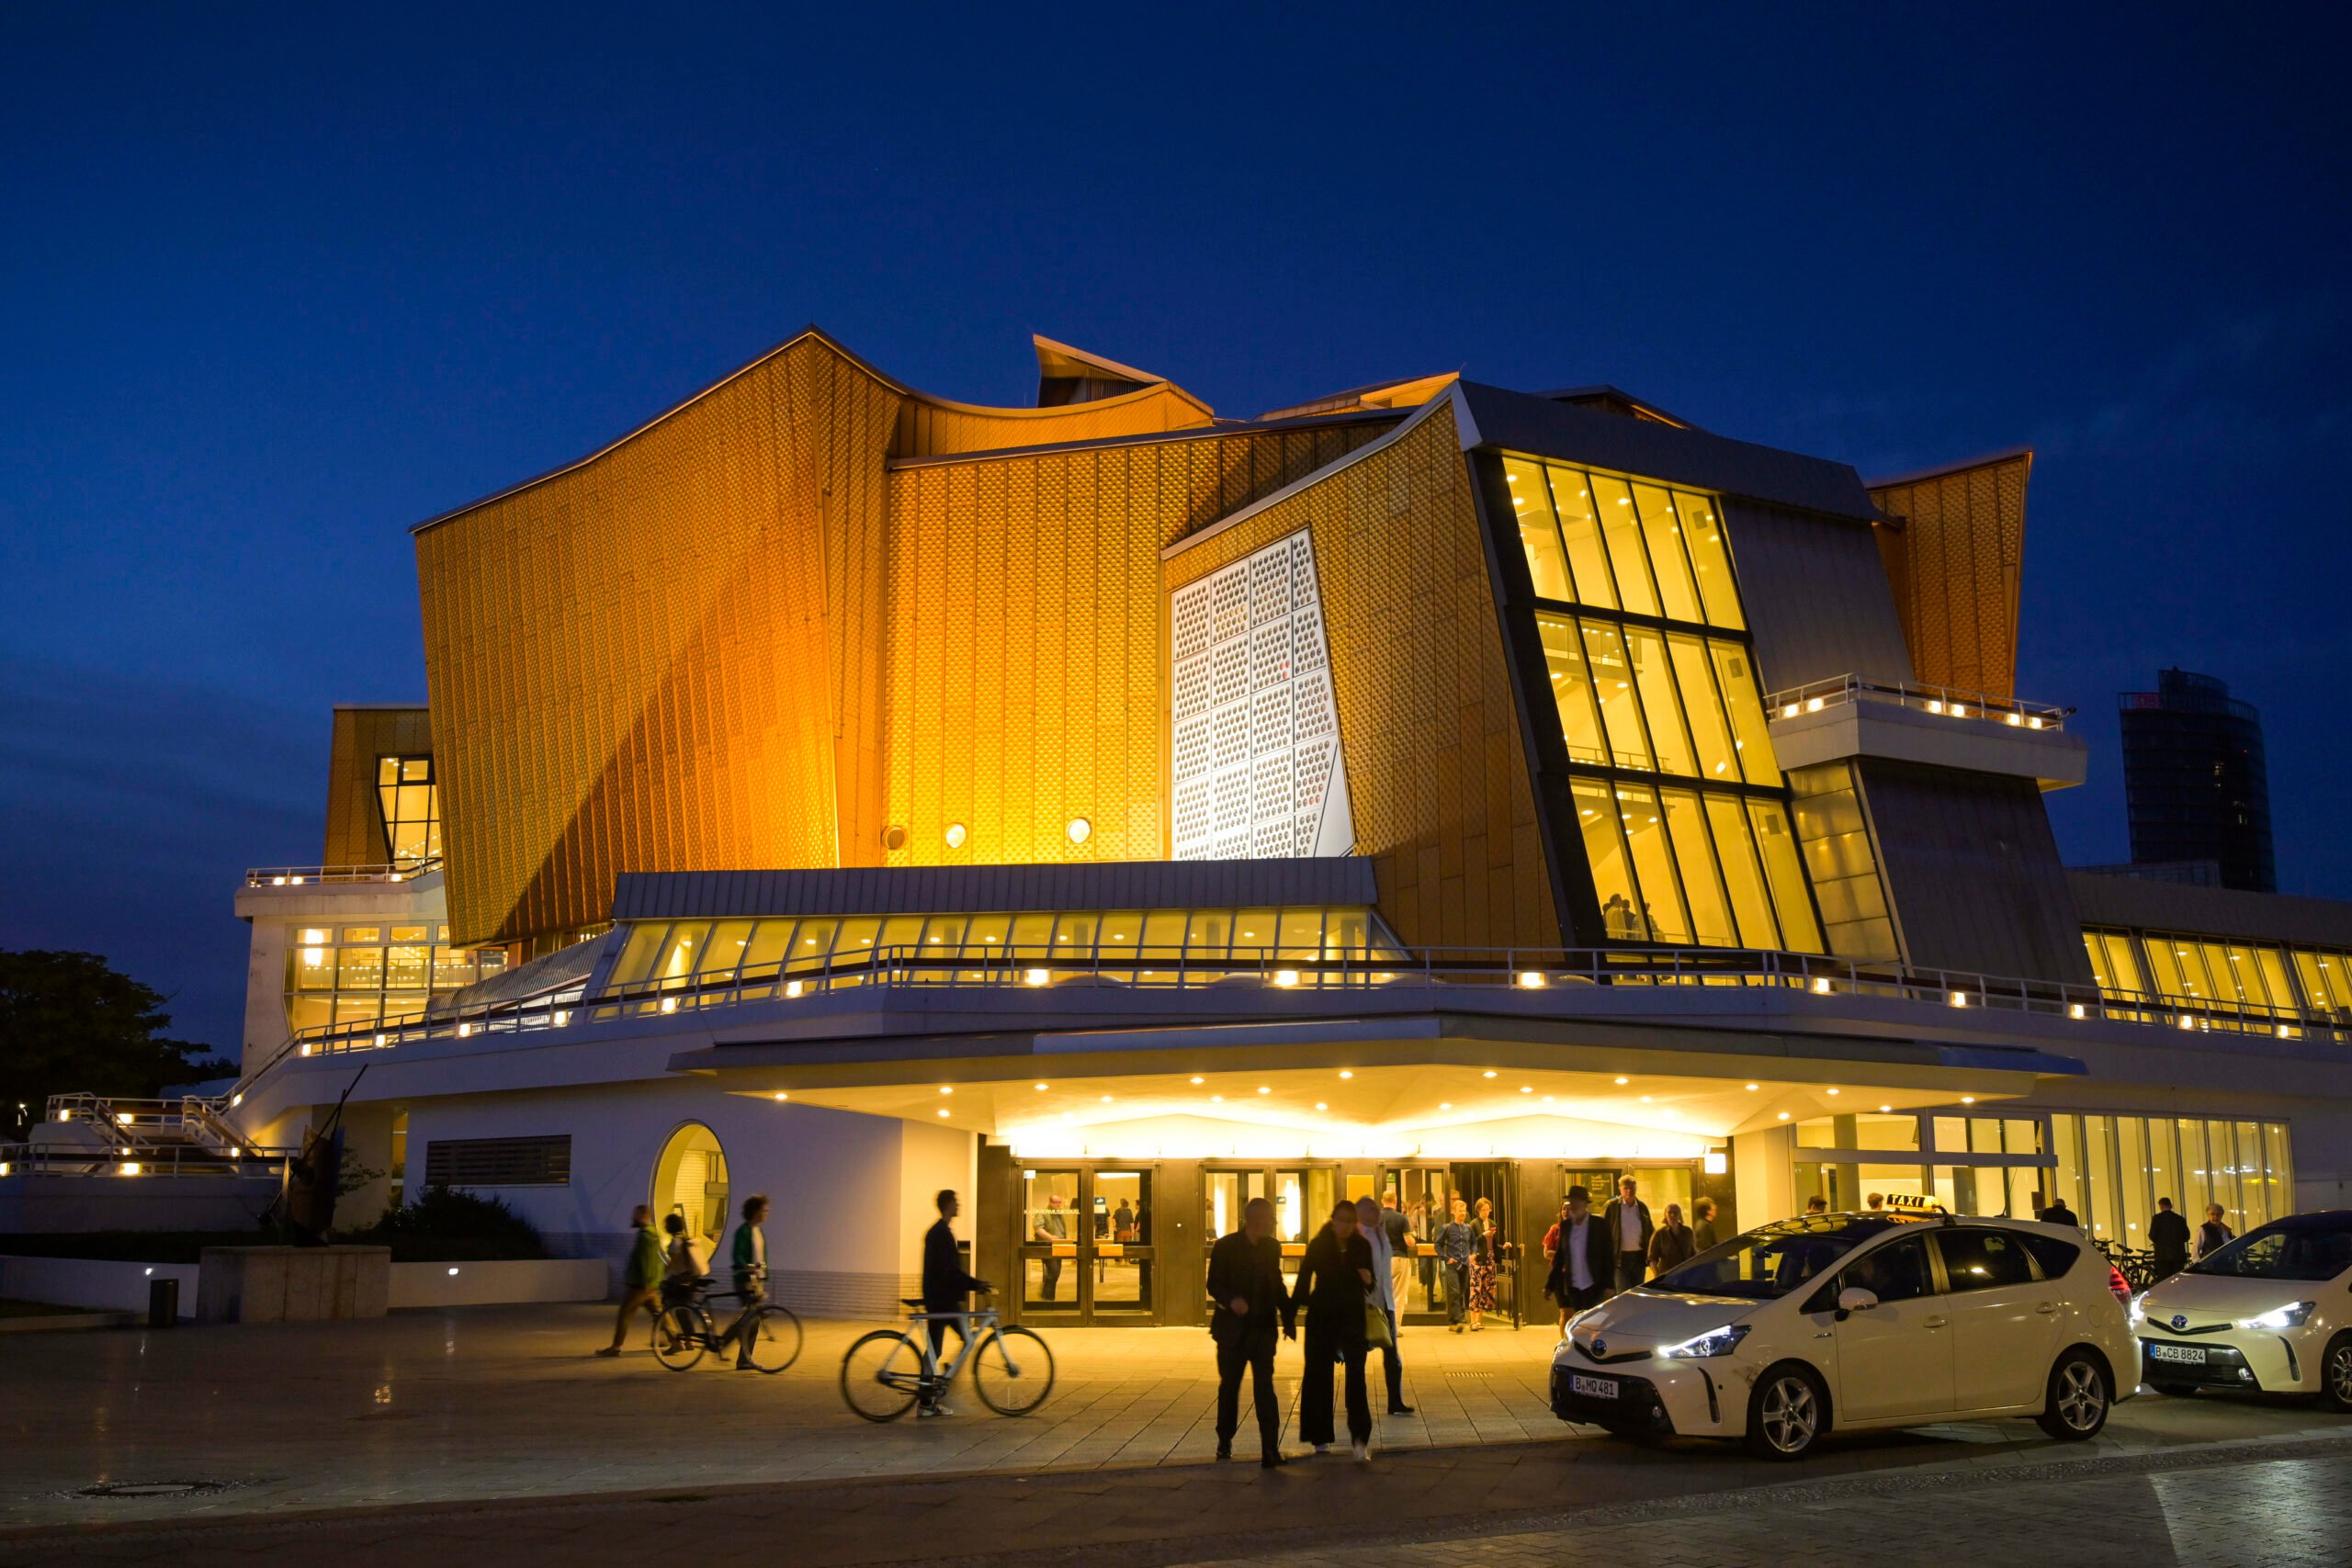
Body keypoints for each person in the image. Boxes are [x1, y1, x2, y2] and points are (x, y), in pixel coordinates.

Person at [1208, 1196, 1289, 1468]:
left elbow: (1276, 1282)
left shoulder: (1271, 1247)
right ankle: (1224, 1440)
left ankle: (1270, 1448)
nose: (1272, 1225)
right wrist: (1233, 1300)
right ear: (1255, 1220)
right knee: (1230, 1387)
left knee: (1265, 1388)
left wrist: (1287, 1316)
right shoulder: (1226, 1246)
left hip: (1263, 1329)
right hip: (1232, 1330)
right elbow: (1214, 1284)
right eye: (1269, 1220)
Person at [1291, 1198, 1375, 1461]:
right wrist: (1291, 1315)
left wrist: (1368, 1279)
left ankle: (1360, 1438)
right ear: (1333, 1220)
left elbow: (1371, 1283)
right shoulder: (1319, 1244)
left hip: (1352, 1317)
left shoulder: (1361, 1245)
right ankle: (1320, 1437)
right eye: (1341, 1221)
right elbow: (1304, 1278)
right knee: (1318, 1375)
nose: (1346, 1227)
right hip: (1323, 1317)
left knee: (1356, 1378)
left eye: (1351, 1222)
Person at [920, 1189, 989, 1416]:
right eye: (956, 1202)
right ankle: (929, 1398)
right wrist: (975, 1284)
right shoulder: (940, 1233)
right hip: (943, 1301)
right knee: (950, 1345)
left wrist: (971, 1284)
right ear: (948, 1204)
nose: (959, 1205)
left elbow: (948, 1270)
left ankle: (930, 1396)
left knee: (936, 1349)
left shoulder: (940, 1231)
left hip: (942, 1299)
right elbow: (949, 1271)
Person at [1356, 1195, 1413, 1415]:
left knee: (1392, 1356)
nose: (1375, 1214)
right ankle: (1358, 1404)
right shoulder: (1357, 1236)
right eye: (1370, 1211)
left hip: (1385, 1303)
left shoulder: (1380, 1235)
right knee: (1359, 1358)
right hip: (1366, 1304)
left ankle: (1395, 1401)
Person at [597, 1204, 665, 1356]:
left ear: (642, 1216)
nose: (632, 1218)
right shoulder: (652, 1233)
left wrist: (647, 1284)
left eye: (635, 1215)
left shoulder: (645, 1236)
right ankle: (677, 1340)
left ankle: (616, 1347)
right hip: (648, 1284)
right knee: (659, 1313)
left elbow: (645, 1261)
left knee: (625, 1314)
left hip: (639, 1286)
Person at [1543, 1186, 1611, 1329]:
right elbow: (1561, 1257)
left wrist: (1609, 1285)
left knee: (1593, 1323)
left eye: (1575, 1201)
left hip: (1594, 1285)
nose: (1572, 1204)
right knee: (1576, 1322)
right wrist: (1550, 1285)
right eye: (1570, 1201)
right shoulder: (1566, 1226)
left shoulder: (1599, 1225)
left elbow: (1608, 1256)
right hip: (1573, 1286)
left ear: (1585, 1203)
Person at [716, 1194, 768, 1371]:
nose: (766, 1213)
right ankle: (740, 1355)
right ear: (755, 1211)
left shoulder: (758, 1232)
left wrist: (763, 1276)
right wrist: (745, 1266)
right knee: (751, 1318)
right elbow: (737, 1253)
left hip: (756, 1281)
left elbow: (762, 1257)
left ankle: (728, 1346)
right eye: (764, 1210)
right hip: (744, 1280)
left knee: (751, 1319)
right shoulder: (743, 1231)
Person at [1601, 1177, 1654, 1292]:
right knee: (1623, 1292)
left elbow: (1649, 1231)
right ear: (1620, 1189)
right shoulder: (1612, 1206)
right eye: (1626, 1188)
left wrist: (1650, 1256)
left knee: (1638, 1293)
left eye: (1632, 1188)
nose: (1629, 1191)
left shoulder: (1642, 1207)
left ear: (1636, 1189)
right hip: (1620, 1258)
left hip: (1639, 1258)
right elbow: (1602, 1232)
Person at [1434, 1197, 1474, 1332]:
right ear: (1454, 1212)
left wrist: (1473, 1254)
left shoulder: (1468, 1228)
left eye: (1464, 1210)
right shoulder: (1447, 1228)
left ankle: (1452, 1321)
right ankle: (1459, 1320)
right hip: (1452, 1265)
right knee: (1455, 1291)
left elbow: (1473, 1243)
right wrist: (1445, 1258)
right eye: (1460, 1211)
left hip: (1465, 1264)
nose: (1463, 1213)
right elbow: (1438, 1245)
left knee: (1461, 1292)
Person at [1466, 1195, 1499, 1331]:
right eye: (1483, 1210)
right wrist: (1483, 1235)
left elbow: (1495, 1242)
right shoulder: (1474, 1224)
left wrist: (1504, 1246)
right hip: (1477, 1258)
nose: (1486, 1212)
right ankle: (1473, 1321)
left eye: (1488, 1209)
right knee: (1476, 1288)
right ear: (1478, 1211)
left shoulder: (1492, 1223)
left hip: (1490, 1257)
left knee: (1486, 1288)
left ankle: (1479, 1320)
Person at [1380, 1190, 1413, 1321]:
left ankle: (1382, 1326)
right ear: (1395, 1201)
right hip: (1398, 1258)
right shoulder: (1402, 1218)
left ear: (1382, 1201)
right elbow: (1409, 1242)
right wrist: (1414, 1239)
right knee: (1398, 1295)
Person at [1033, 1192, 1069, 1302]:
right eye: (1056, 1202)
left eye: (1059, 1202)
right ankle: (1048, 1297)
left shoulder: (1059, 1214)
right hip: (1048, 1247)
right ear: (1050, 1202)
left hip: (1060, 1246)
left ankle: (1046, 1294)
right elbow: (1038, 1228)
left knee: (1056, 1273)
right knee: (1053, 1271)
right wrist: (1050, 1237)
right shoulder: (1043, 1213)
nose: (1058, 1205)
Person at [1647, 1201, 1695, 1278]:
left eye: (1675, 1212)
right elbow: (1652, 1258)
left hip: (1686, 1274)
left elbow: (1693, 1254)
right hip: (1667, 1275)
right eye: (1669, 1212)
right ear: (1665, 1215)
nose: (1672, 1215)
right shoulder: (1659, 1234)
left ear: (1680, 1215)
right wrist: (1657, 1276)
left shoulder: (1688, 1232)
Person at [2150, 1196, 2191, 1277]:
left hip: (2162, 1256)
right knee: (2178, 1279)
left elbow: (2152, 1235)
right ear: (2171, 1206)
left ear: (2161, 1206)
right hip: (2178, 1255)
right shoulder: (2180, 1219)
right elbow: (2186, 1236)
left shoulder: (2157, 1219)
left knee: (2164, 1280)